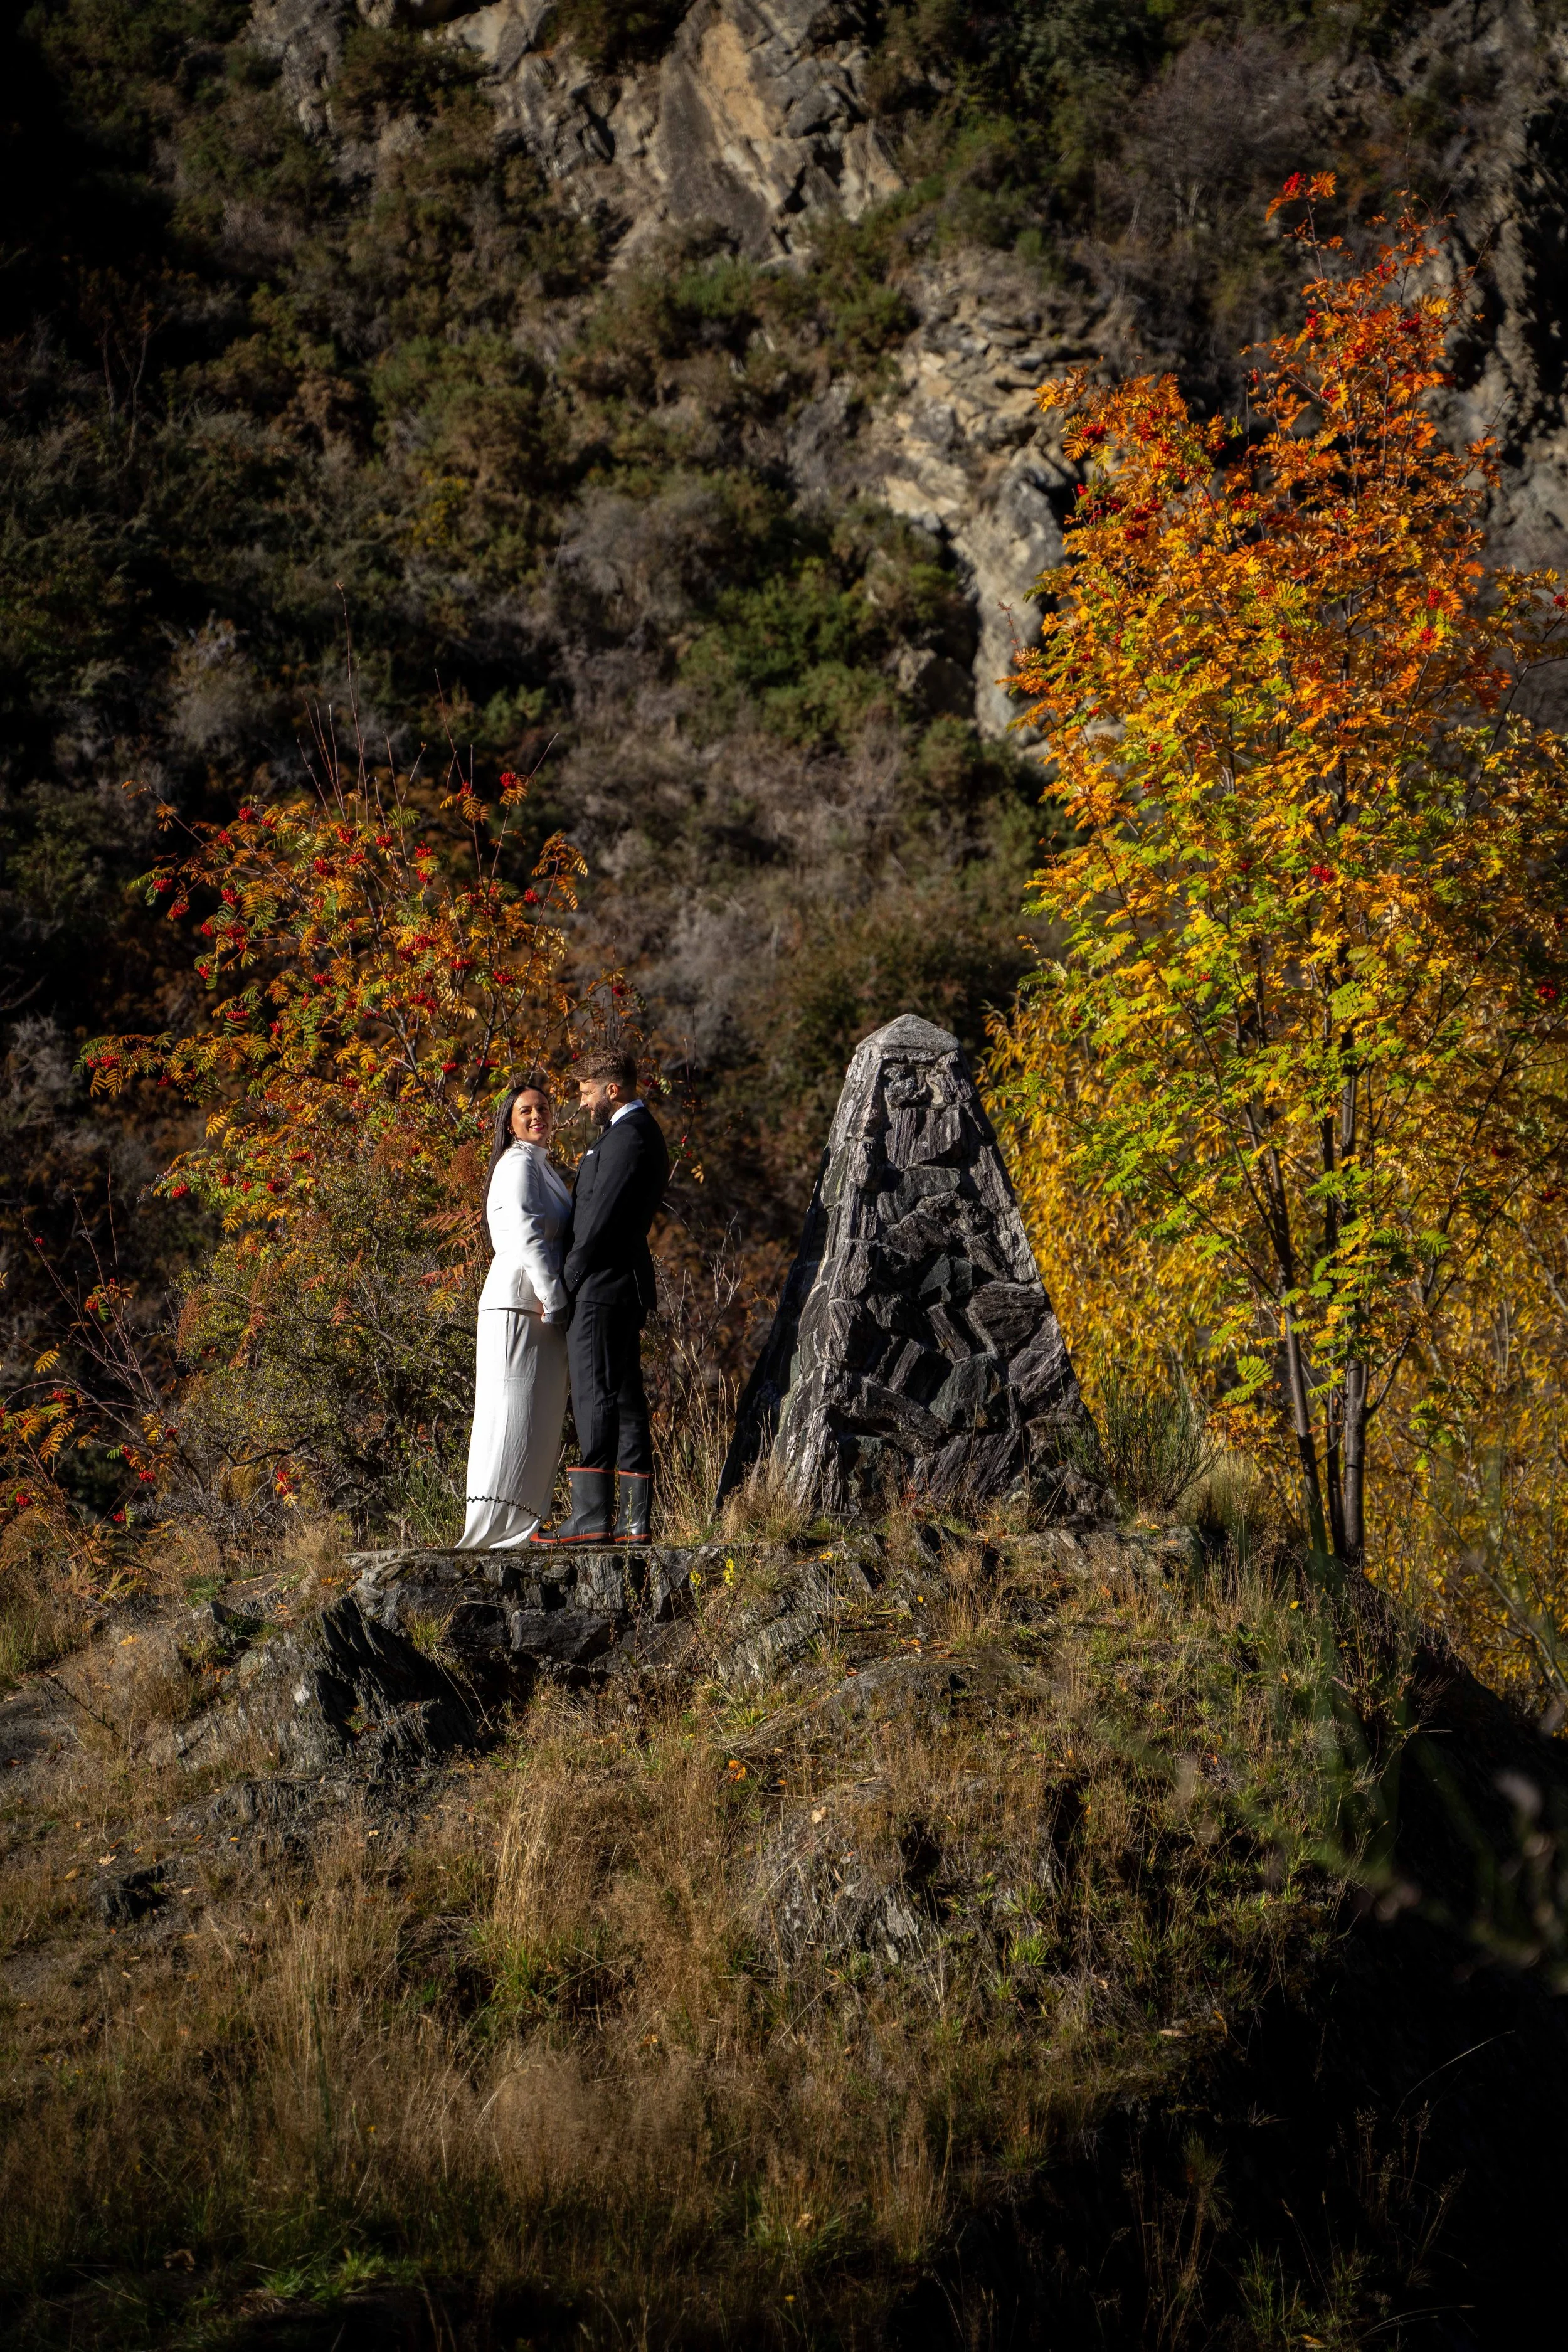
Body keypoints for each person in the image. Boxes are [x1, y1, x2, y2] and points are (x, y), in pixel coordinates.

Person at [545, 1045, 670, 1545]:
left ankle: (592, 1518)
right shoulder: (629, 1135)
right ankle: (634, 1522)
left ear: (612, 1089)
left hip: (601, 1287)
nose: (582, 1102)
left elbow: (597, 1223)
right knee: (621, 1396)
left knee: (597, 1395)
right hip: (615, 1285)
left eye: (586, 1091)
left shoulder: (629, 1137)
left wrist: (568, 1280)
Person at [455, 1076, 573, 1550]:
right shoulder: (517, 1163)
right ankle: (494, 1530)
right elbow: (527, 1235)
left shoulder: (542, 1166)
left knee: (534, 1419)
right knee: (510, 1416)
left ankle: (523, 1526)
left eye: (543, 1107)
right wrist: (557, 1296)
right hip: (521, 1303)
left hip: (535, 1306)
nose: (536, 1115)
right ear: (509, 1120)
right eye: (526, 1110)